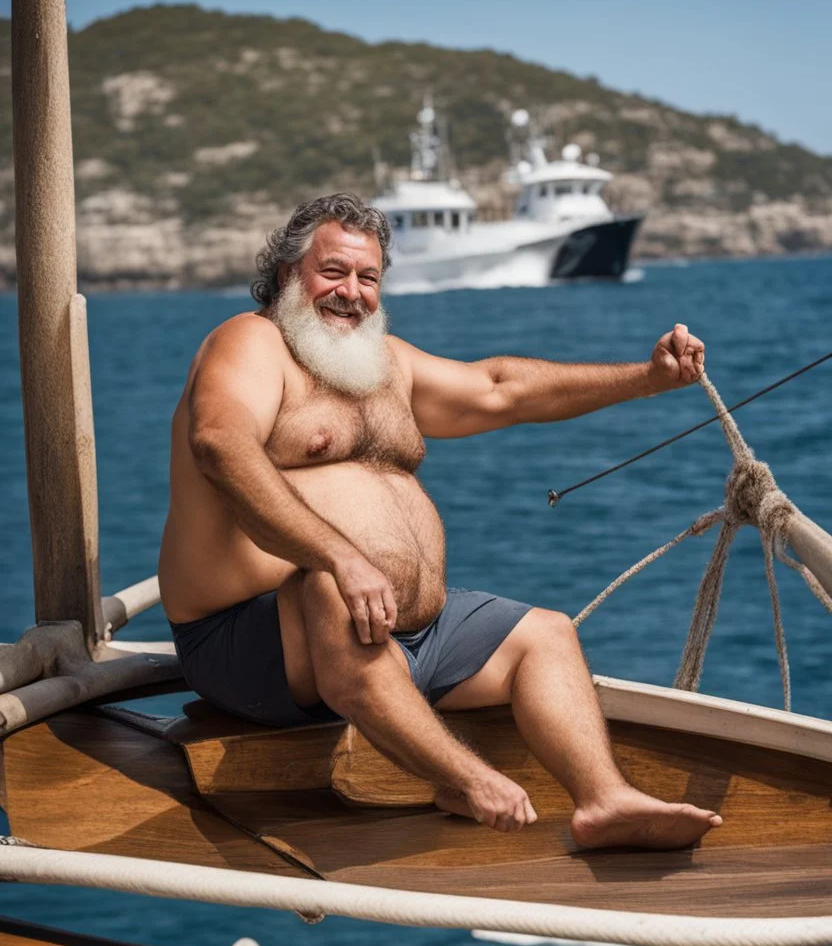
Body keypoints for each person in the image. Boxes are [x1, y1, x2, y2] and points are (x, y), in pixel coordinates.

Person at [159, 192, 722, 846]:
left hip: (399, 634)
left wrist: (647, 378)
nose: (351, 293)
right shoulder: (252, 343)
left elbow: (498, 388)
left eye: (368, 278)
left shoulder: (383, 364)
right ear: (288, 274)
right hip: (249, 642)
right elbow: (221, 446)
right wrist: (339, 556)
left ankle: (606, 801)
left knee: (545, 635)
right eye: (332, 272)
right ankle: (461, 780)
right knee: (331, 591)